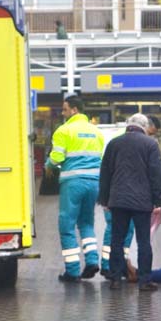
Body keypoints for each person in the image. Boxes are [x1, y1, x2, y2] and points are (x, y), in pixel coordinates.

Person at [99, 113, 161, 291]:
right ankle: (145, 280)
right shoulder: (150, 144)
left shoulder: (114, 144)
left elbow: (105, 173)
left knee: (117, 239)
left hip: (118, 200)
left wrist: (104, 199)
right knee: (144, 241)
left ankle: (114, 278)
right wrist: (159, 200)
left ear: (128, 125)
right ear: (144, 126)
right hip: (142, 201)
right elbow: (156, 174)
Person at [46, 95, 104, 283]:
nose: (62, 113)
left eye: (64, 109)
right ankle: (92, 260)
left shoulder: (63, 131)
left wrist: (48, 165)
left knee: (67, 225)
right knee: (86, 223)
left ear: (74, 110)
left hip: (73, 183)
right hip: (94, 182)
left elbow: (57, 158)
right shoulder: (96, 132)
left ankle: (72, 270)